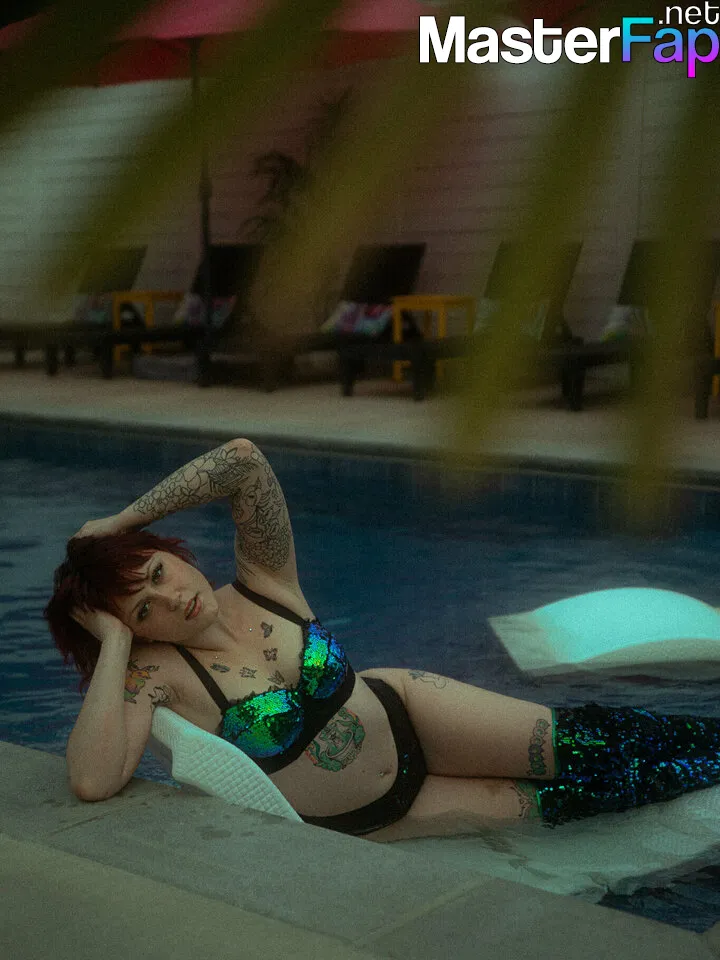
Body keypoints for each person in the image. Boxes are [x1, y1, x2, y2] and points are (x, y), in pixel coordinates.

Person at [45, 437, 720, 842]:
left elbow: (243, 461)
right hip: (382, 809)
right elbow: (92, 779)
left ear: (169, 552)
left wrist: (122, 520)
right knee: (595, 795)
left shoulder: (263, 581)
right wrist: (113, 644)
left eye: (157, 572)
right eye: (144, 609)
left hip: (411, 710)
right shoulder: (156, 676)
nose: (170, 597)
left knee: (599, 741)